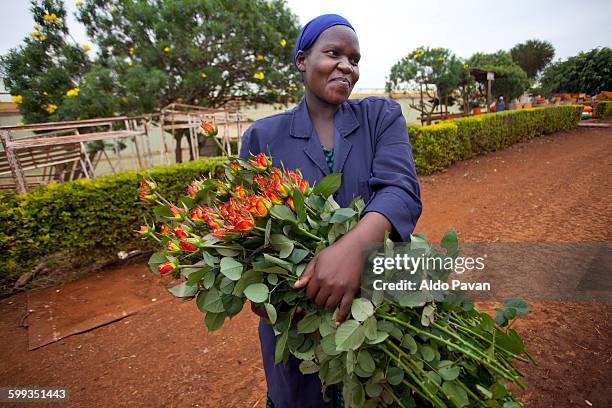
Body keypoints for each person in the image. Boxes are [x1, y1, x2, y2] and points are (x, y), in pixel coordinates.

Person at [239, 14, 422, 408]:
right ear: (302, 60)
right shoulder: (262, 137)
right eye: (334, 53)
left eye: (354, 59)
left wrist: (356, 247)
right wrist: (261, 291)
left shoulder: (380, 118)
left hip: (379, 313)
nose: (346, 66)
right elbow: (248, 235)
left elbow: (400, 188)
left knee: (378, 393)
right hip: (299, 328)